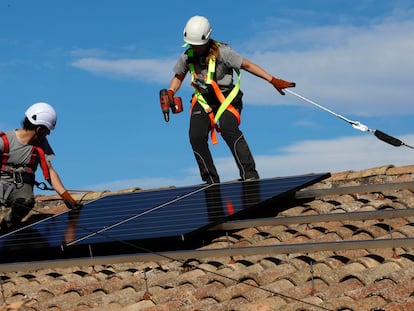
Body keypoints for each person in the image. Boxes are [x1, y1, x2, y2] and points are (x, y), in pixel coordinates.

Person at [164, 15, 296, 184]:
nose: (194, 48)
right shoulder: (187, 55)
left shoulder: (224, 53)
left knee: (228, 129)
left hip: (227, 99)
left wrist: (273, 81)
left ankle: (249, 175)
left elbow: (248, 65)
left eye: (197, 45)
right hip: (204, 100)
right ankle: (211, 181)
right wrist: (170, 92)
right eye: (192, 44)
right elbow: (178, 76)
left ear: (206, 39)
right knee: (195, 136)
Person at [0, 102, 81, 233]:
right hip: (1, 183)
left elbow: (49, 170)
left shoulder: (41, 144)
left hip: (21, 188)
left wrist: (66, 196)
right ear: (39, 129)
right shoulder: (4, 141)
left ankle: (4, 229)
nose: (48, 134)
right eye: (47, 131)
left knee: (26, 201)